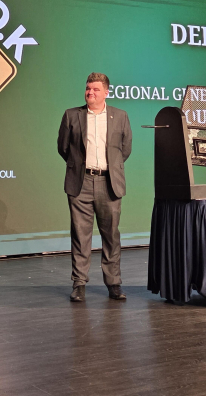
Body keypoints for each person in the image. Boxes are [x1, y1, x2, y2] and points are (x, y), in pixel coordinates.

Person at [57, 72, 133, 302]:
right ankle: (79, 284)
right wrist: (80, 167)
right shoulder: (72, 115)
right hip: (80, 183)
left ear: (106, 92)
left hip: (109, 183)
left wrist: (109, 169)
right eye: (88, 88)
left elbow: (125, 149)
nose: (90, 92)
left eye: (96, 89)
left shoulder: (120, 116)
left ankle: (114, 283)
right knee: (80, 236)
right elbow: (63, 148)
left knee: (111, 236)